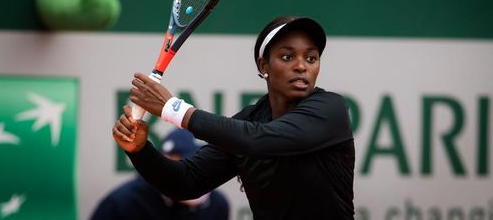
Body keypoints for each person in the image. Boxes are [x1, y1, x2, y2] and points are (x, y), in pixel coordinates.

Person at [113, 16, 355, 219]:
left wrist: (173, 109)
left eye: (311, 58)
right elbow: (186, 182)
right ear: (264, 66)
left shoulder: (330, 109)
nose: (302, 66)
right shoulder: (250, 121)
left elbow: (260, 141)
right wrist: (140, 150)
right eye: (287, 57)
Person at [91, 128, 230, 220]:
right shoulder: (123, 204)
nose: (194, 173)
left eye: (201, 165)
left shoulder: (217, 205)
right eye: (184, 165)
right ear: (162, 166)